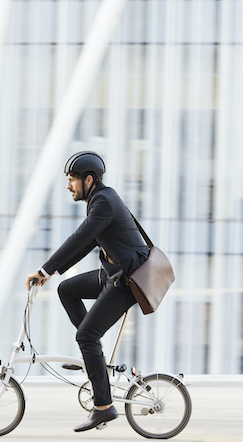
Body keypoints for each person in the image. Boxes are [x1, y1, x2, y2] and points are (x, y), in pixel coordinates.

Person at [26, 151, 149, 432]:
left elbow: (79, 237)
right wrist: (51, 274)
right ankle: (93, 359)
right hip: (112, 275)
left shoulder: (103, 202)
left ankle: (103, 407)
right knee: (67, 289)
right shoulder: (100, 199)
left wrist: (44, 269)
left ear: (88, 179)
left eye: (71, 180)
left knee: (86, 335)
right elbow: (88, 243)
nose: (68, 186)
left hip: (127, 281)